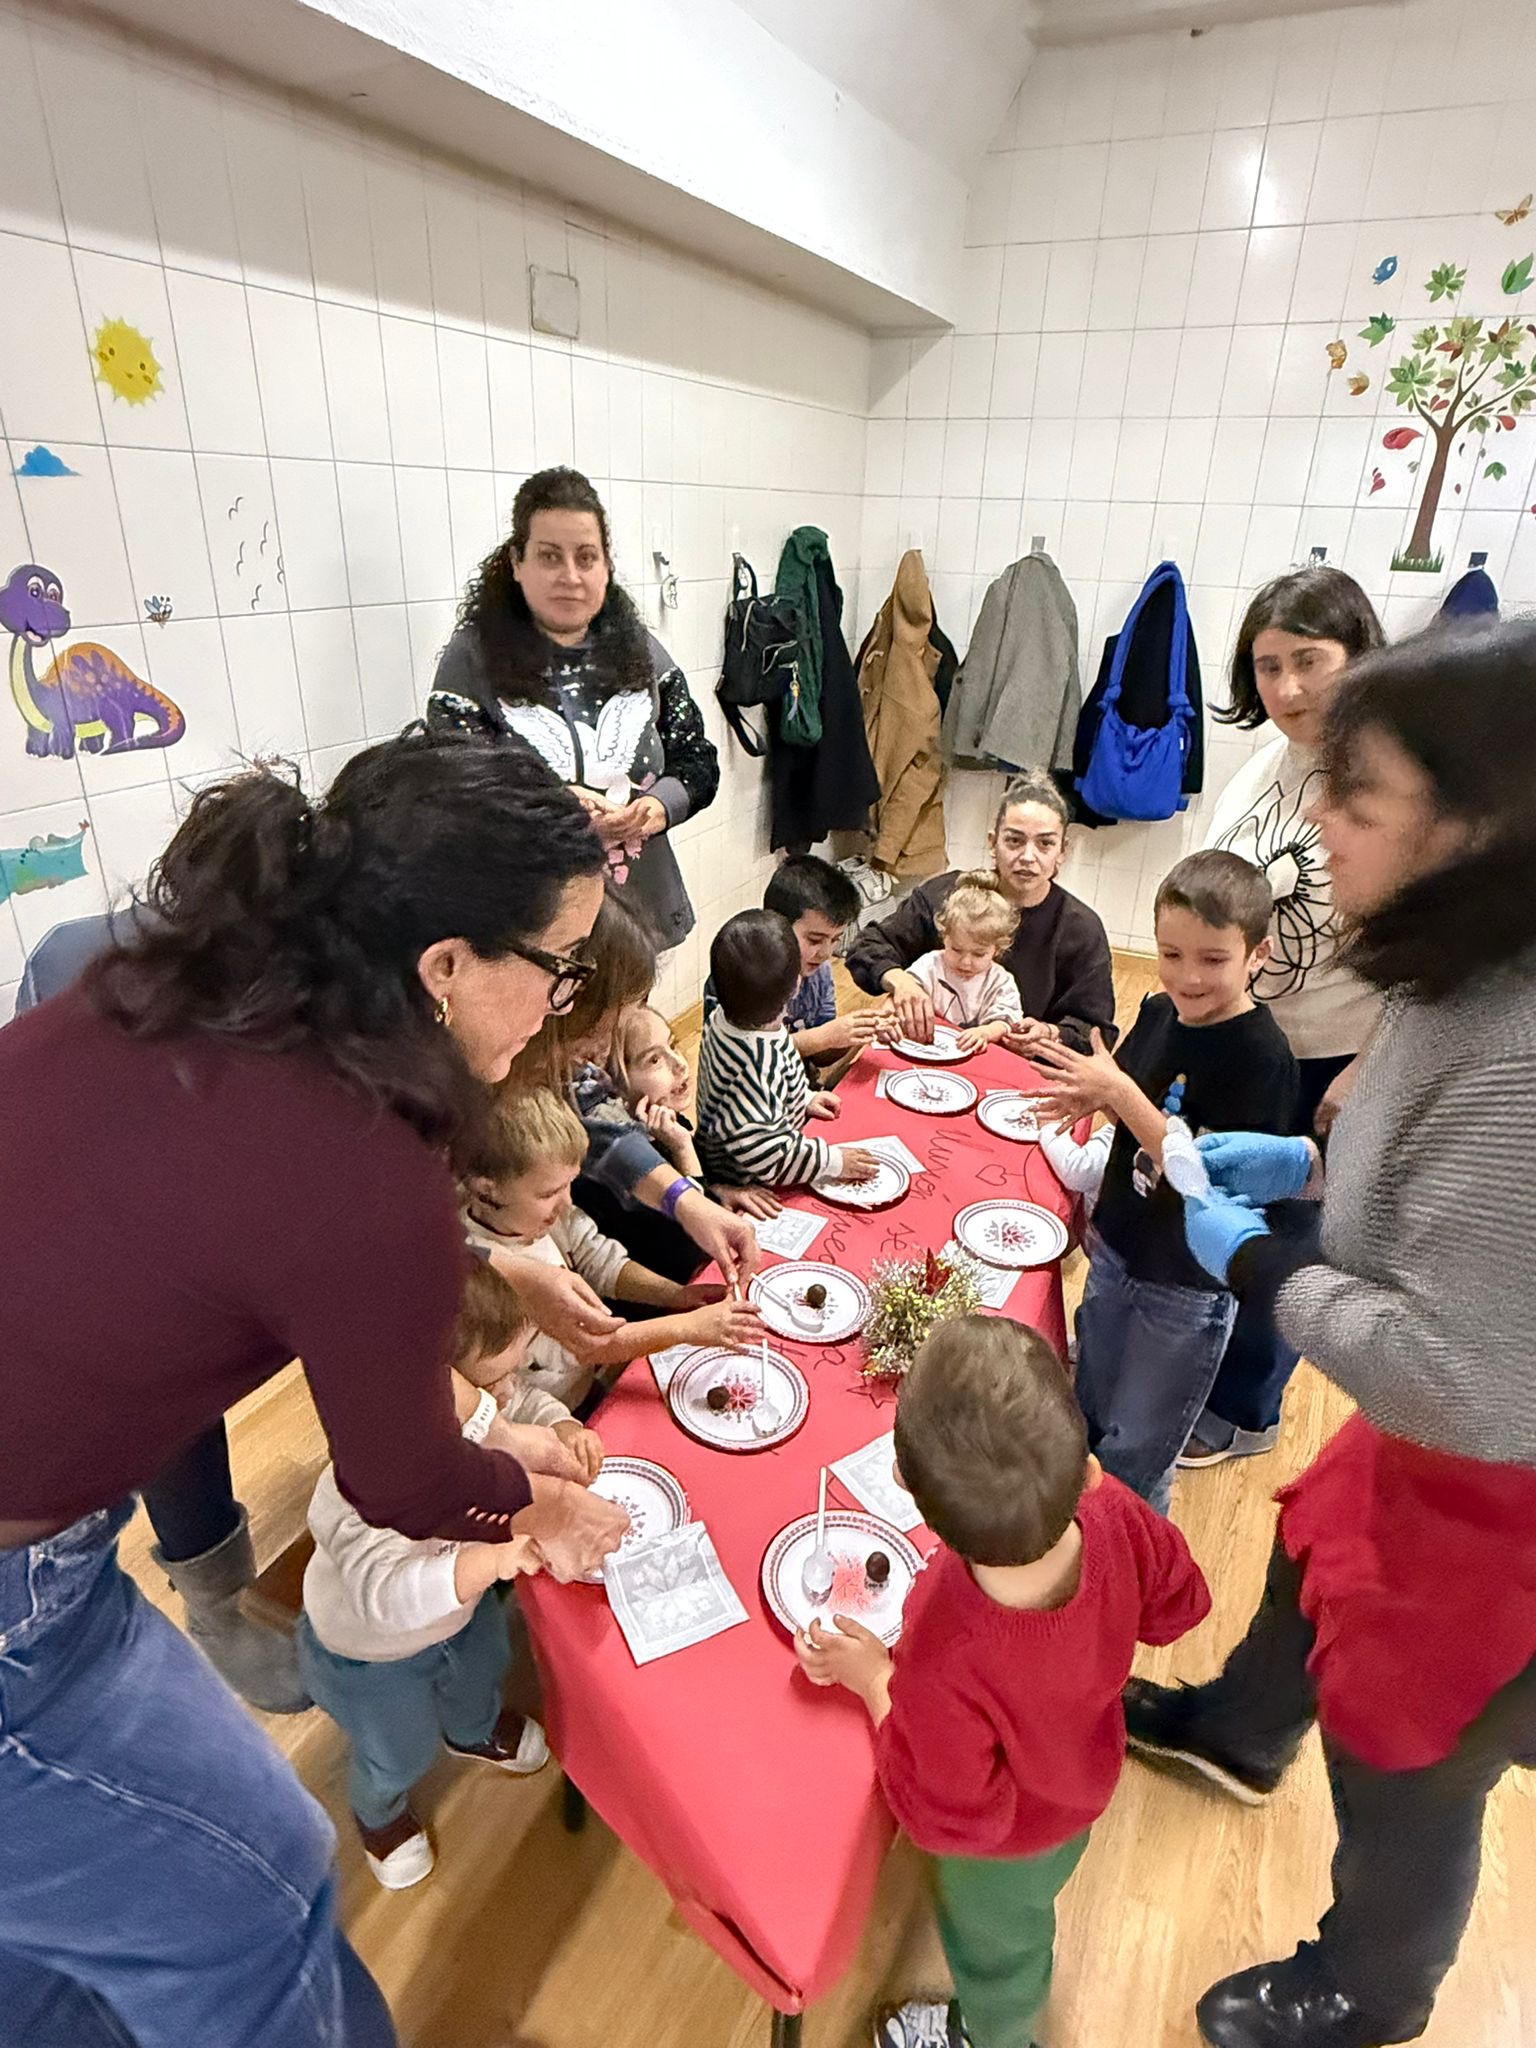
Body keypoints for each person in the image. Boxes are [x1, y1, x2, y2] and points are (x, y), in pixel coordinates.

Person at [0, 730, 630, 2048]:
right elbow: (404, 1480)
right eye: (559, 968)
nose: (561, 1004)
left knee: (78, 1936)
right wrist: (523, 1494)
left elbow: (249, 1207)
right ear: (445, 967)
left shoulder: (182, 974)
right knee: (262, 1885)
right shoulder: (369, 1164)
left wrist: (491, 1255)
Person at [1125, 623, 1536, 2048]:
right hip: (1433, 1459)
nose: (1316, 818)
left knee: (1415, 1756)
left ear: (1475, 823)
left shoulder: (1522, 1044)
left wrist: (1269, 1271)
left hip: (1498, 1496)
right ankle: (1242, 1730)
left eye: (1355, 798)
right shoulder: (1467, 966)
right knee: (1311, 1560)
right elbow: (1439, 1193)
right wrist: (1298, 1169)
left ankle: (1371, 1987)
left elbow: (1461, 1372)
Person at [796, 1316, 1209, 2048]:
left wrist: (873, 1679)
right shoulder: (1113, 1509)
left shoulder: (946, 1643)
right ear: (1087, 1468)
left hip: (1012, 1844)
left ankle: (997, 2036)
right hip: (1083, 1776)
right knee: (1034, 1908)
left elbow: (953, 1813)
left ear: (910, 1497)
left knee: (999, 1955)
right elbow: (1177, 1604)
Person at [1184, 567, 1384, 1470]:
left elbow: (1426, 951)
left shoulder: (1390, 778)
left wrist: (1367, 1069)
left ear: (1359, 656)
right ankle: (1200, 1375)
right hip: (1243, 1038)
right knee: (1224, 1212)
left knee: (1296, 1241)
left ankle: (1248, 1411)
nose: (1289, 688)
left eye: (1310, 661)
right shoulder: (1263, 766)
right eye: (1268, 667)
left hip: (1329, 1055)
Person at [1032, 852, 1297, 1512]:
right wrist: (1089, 1097)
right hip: (1119, 1251)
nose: (1187, 976)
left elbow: (1209, 1176)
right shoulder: (1156, 1010)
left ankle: (1129, 1584)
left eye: (1213, 959)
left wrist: (1119, 1093)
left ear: (1257, 955)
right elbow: (1125, 1083)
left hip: (1187, 1290)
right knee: (1088, 1415)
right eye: (1171, 953)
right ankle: (1086, 1539)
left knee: (1139, 1454)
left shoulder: (1263, 1057)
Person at [297, 1263, 561, 1892]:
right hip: (369, 1656)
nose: (512, 1391)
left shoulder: (483, 1401)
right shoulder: (366, 1485)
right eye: (496, 1380)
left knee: (484, 1664)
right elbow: (386, 1599)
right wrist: (495, 1562)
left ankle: (472, 1729)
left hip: (458, 1614)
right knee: (399, 1748)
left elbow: (524, 1405)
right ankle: (380, 1811)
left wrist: (563, 1431)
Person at [428, 465, 718, 949]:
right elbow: (455, 797)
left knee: (629, 1024)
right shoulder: (470, 662)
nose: (570, 576)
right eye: (548, 556)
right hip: (531, 924)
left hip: (635, 917)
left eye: (587, 557)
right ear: (516, 562)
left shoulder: (641, 652)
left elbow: (697, 760)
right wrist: (564, 809)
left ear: (606, 567)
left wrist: (654, 807)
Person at [511, 888, 763, 1286]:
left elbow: (599, 1119)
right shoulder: (499, 1070)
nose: (605, 1046)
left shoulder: (566, 1068)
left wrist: (686, 1200)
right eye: (608, 1019)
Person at [464, 1088, 762, 1410]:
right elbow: (585, 1345)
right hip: (553, 1412)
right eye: (549, 1193)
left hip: (585, 1383)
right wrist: (687, 1327)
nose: (566, 1204)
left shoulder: (534, 1214)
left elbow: (601, 1260)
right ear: (485, 1190)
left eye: (570, 1184)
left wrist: (676, 1296)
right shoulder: (480, 1272)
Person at [847, 770, 1114, 1053]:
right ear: (992, 841)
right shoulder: (946, 894)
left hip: (1023, 1067)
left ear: (1063, 850)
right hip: (928, 1050)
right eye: (1014, 840)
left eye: (1045, 843)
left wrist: (1050, 1033)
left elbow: (1098, 1030)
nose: (1027, 856)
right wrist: (902, 984)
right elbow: (866, 947)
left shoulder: (1081, 929)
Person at [696, 910, 881, 1190]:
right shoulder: (757, 1062)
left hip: (769, 1142)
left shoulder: (727, 1017)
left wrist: (803, 1098)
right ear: (796, 985)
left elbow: (782, 1074)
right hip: (749, 1177)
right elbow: (769, 1157)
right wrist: (834, 1161)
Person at [703, 855, 884, 1068]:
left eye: (835, 939)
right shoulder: (739, 975)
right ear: (776, 926)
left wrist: (856, 1033)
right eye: (815, 939)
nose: (826, 952)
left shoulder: (819, 971)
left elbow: (819, 1057)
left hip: (798, 1089)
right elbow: (739, 1058)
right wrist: (821, 1037)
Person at [900, 868, 1024, 1052]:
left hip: (976, 1056)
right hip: (926, 1047)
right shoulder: (930, 965)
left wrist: (986, 1032)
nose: (966, 962)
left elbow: (1005, 1020)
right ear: (945, 937)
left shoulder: (1000, 981)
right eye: (957, 950)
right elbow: (907, 993)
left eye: (978, 954)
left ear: (997, 949)